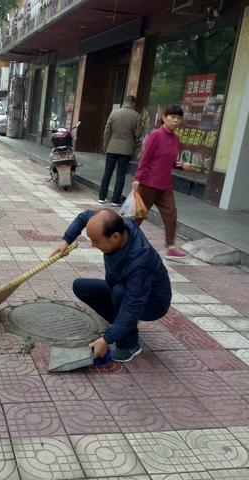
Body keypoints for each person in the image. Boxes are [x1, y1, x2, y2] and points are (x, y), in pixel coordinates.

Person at [52, 208, 172, 363]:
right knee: (81, 287)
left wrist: (106, 340)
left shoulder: (141, 262)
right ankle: (122, 324)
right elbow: (84, 216)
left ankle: (129, 346)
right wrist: (66, 240)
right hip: (123, 287)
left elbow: (133, 304)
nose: (93, 245)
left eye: (96, 240)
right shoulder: (118, 225)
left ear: (115, 237)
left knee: (120, 293)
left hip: (152, 302)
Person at [133, 104, 197, 258]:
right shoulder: (155, 135)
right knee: (137, 217)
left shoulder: (175, 139)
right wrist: (138, 179)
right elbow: (145, 159)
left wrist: (182, 166)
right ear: (164, 118)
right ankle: (124, 241)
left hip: (165, 186)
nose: (176, 120)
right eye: (173, 117)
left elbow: (170, 161)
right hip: (148, 184)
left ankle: (171, 246)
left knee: (171, 215)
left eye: (179, 118)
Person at [99, 95, 143, 206]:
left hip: (112, 147)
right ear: (133, 104)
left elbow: (107, 131)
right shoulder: (137, 116)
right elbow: (138, 135)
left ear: (124, 102)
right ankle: (115, 200)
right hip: (126, 150)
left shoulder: (114, 113)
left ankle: (101, 197)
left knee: (107, 172)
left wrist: (105, 145)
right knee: (120, 175)